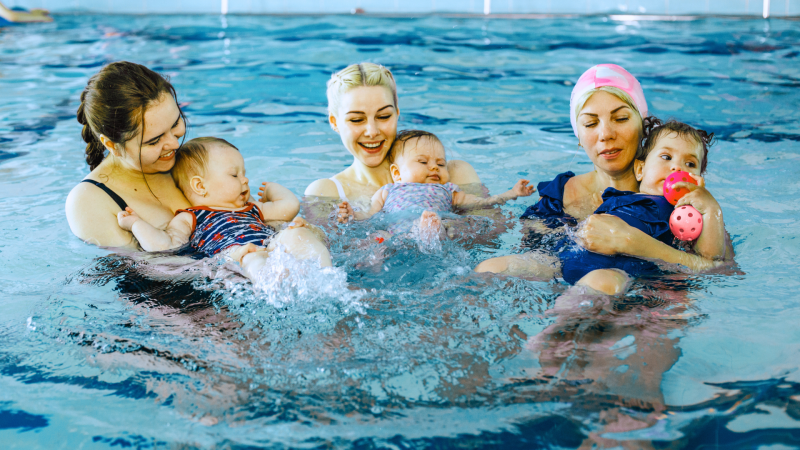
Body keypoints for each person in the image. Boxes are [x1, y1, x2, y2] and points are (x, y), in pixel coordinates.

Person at [474, 64, 733, 278]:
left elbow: (721, 271)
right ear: (578, 135)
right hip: (559, 283)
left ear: (643, 127)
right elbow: (521, 246)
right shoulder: (558, 197)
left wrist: (633, 242)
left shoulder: (682, 200)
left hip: (639, 300)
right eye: (590, 123)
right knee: (488, 271)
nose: (606, 134)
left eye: (620, 119)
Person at [116, 137, 332, 279]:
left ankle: (328, 279)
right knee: (252, 260)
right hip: (236, 258)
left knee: (296, 235)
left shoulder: (252, 208)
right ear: (200, 186)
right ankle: (276, 289)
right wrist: (136, 224)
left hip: (274, 245)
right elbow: (164, 246)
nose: (245, 180)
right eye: (234, 175)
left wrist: (274, 190)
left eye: (244, 173)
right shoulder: (191, 217)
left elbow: (289, 208)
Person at [560, 118, 728, 295]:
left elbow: (710, 261)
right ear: (640, 169)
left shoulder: (688, 215)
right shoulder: (618, 196)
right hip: (569, 255)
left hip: (616, 273)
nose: (677, 168)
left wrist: (710, 208)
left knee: (605, 282)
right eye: (666, 157)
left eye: (690, 164)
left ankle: (564, 321)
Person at [303, 63, 481, 219]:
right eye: (356, 120)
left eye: (383, 116)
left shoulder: (450, 175)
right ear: (334, 122)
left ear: (397, 113)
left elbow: (493, 235)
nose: (372, 132)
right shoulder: (328, 193)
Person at [337, 130, 534, 239]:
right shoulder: (388, 190)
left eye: (440, 164)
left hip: (431, 227)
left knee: (446, 227)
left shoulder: (447, 189)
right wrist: (354, 215)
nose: (434, 168)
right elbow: (370, 214)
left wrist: (511, 193)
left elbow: (480, 203)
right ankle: (374, 259)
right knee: (378, 237)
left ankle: (429, 231)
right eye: (423, 162)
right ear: (397, 173)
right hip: (395, 236)